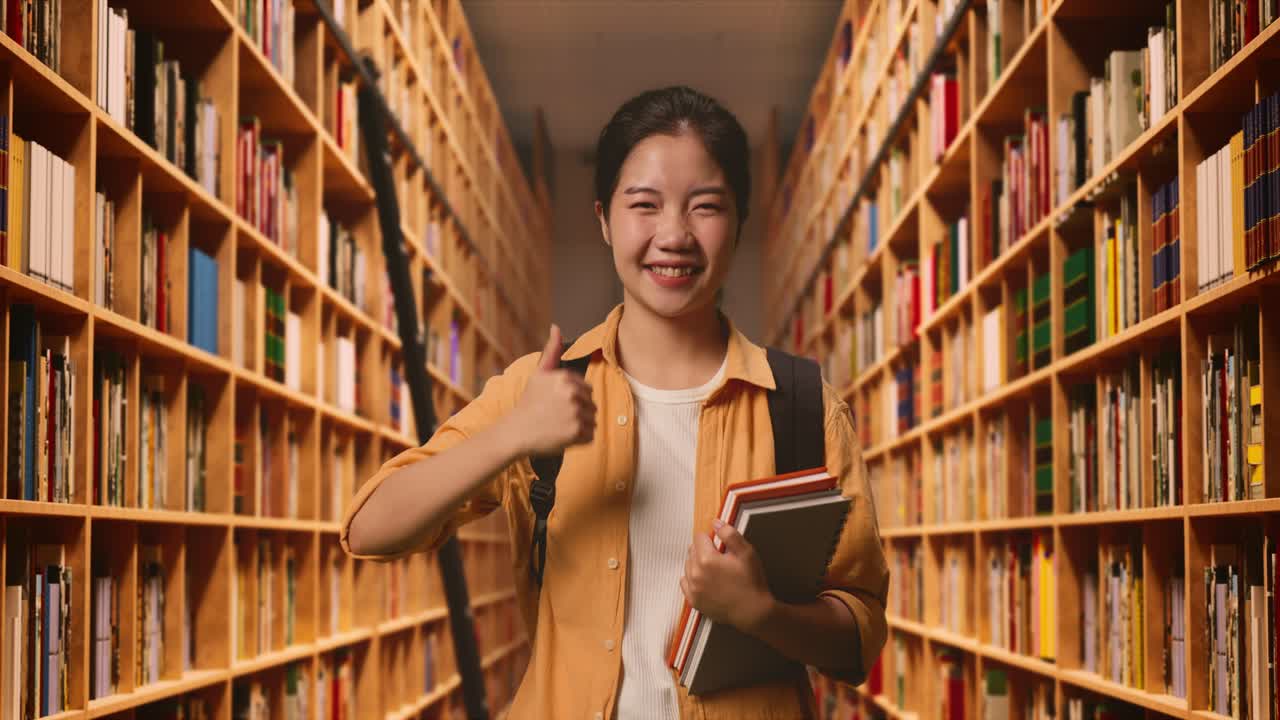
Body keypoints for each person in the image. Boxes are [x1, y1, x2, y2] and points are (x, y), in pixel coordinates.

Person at [342, 85, 888, 719]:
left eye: (705, 206)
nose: (674, 235)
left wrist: (762, 613)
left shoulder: (800, 406)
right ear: (604, 219)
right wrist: (512, 436)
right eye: (645, 205)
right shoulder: (538, 390)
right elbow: (369, 529)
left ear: (739, 222)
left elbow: (860, 635)